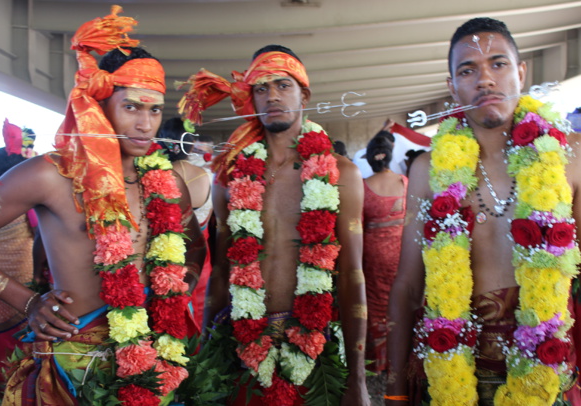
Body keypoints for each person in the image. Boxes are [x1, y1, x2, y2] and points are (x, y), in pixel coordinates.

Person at [0, 6, 205, 405]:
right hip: (72, 368)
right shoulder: (51, 175)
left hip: (152, 364)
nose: (146, 124)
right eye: (131, 107)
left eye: (153, 109)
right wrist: (25, 301)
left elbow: (194, 252)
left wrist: (169, 297)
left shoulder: (167, 184)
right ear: (99, 107)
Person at [386, 17, 581, 406]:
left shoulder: (569, 157)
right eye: (468, 70)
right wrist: (393, 392)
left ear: (521, 73)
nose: (485, 80)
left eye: (498, 63)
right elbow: (408, 285)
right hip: (453, 372)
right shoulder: (428, 170)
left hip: (548, 375)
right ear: (452, 87)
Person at [179, 44, 370, 406]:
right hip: (240, 348)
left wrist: (357, 379)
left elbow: (352, 275)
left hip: (316, 354)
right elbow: (220, 270)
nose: (272, 97)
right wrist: (206, 358)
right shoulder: (231, 176)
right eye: (261, 89)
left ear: (304, 94)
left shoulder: (342, 173)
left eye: (283, 85)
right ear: (251, 98)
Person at [0, 121, 38, 389]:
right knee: (17, 335)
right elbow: (40, 235)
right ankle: (14, 385)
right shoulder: (22, 202)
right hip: (19, 277)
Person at [362, 134, 407, 404]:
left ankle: (377, 362)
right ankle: (401, 356)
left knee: (376, 308)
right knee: (402, 304)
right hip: (403, 257)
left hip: (372, 259)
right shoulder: (406, 183)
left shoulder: (363, 187)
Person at [159, 117, 213, 329]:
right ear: (191, 143)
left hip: (163, 259)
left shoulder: (156, 176)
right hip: (201, 259)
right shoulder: (206, 175)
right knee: (198, 315)